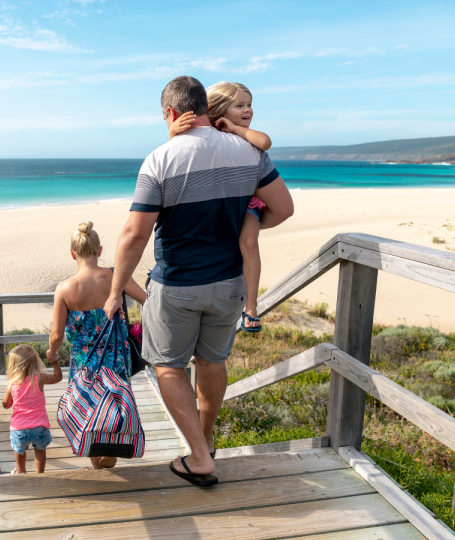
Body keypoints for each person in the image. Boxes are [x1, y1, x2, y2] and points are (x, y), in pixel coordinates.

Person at [104, 76, 293, 486]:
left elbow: (135, 235)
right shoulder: (249, 151)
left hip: (177, 286)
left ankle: (199, 457)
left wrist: (116, 289)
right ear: (208, 109)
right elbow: (284, 208)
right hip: (229, 283)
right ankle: (204, 440)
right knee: (213, 361)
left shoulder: (159, 159)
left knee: (169, 367)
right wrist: (251, 220)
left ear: (171, 114)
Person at [170, 81, 273, 332]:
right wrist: (172, 132)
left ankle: (251, 307)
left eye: (249, 105)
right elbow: (178, 151)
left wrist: (236, 128)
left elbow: (266, 141)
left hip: (249, 201)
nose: (248, 110)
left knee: (248, 243)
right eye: (240, 105)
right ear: (218, 108)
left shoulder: (245, 135)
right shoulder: (208, 136)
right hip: (225, 201)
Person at [47, 221, 147, 469]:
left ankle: (97, 463)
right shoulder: (114, 276)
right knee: (116, 403)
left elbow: (57, 334)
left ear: (73, 254)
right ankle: (112, 452)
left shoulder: (64, 289)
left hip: (84, 362)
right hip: (116, 358)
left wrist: (51, 352)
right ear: (99, 250)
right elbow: (147, 299)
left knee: (88, 409)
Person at [2, 344, 62, 474]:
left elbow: (6, 405)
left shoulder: (12, 385)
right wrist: (54, 361)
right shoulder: (39, 378)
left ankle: (21, 471)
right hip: (39, 426)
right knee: (40, 451)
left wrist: (7, 399)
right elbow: (58, 377)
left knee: (19, 451)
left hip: (19, 429)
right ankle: (39, 474)